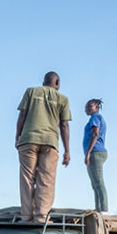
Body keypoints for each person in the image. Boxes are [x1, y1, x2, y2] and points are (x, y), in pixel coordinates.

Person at [14, 71, 71, 222]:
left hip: (28, 139)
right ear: (57, 83)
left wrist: (17, 136)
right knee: (46, 179)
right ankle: (41, 216)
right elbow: (64, 125)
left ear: (43, 82)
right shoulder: (63, 99)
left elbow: (22, 115)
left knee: (27, 178)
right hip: (50, 142)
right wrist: (67, 150)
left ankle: (26, 216)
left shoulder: (31, 91)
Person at [83, 99, 108, 212]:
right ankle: (98, 208)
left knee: (98, 182)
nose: (87, 109)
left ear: (97, 108)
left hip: (95, 152)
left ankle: (103, 209)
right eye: (86, 107)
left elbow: (95, 133)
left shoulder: (96, 117)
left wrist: (88, 152)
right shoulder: (94, 118)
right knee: (95, 183)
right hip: (94, 152)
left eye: (90, 106)